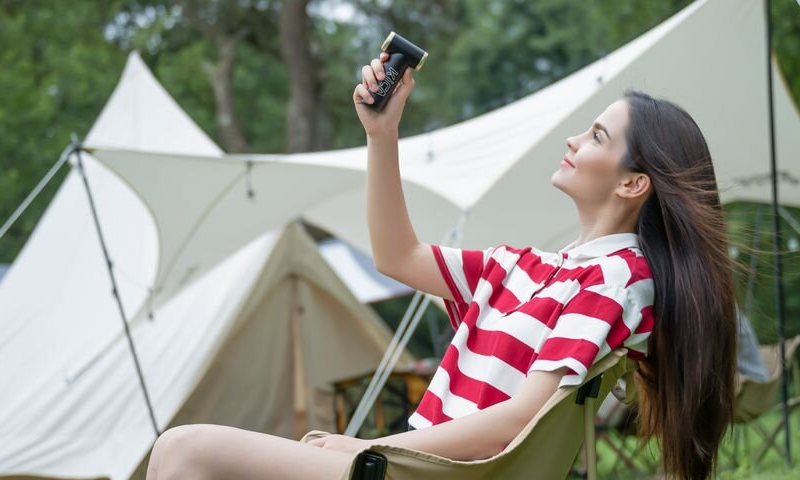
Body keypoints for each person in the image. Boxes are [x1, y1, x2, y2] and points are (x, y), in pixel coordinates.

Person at [146, 52, 737, 480]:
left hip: (426, 474)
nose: (575, 140)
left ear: (633, 182)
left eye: (597, 136)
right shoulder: (528, 267)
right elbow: (396, 257)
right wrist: (383, 134)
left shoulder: (615, 278)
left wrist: (371, 449)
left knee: (183, 452)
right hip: (407, 467)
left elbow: (520, 417)